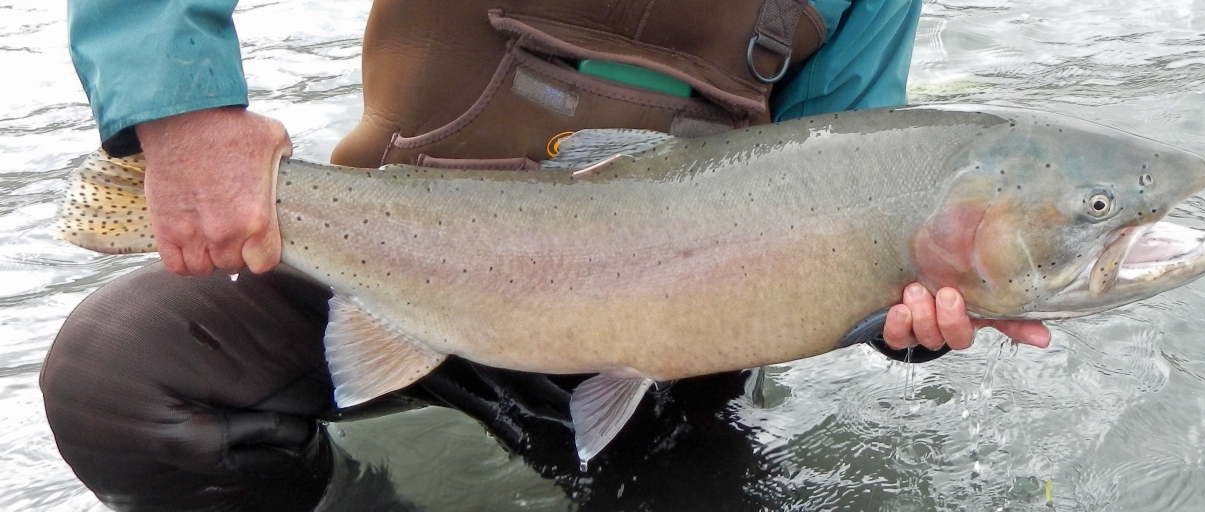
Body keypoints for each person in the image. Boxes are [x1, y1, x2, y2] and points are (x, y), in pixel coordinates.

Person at [44, 0, 1051, 510]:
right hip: (389, 255)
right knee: (115, 376)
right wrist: (181, 111)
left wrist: (904, 316)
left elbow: (850, 187)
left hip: (662, 359)